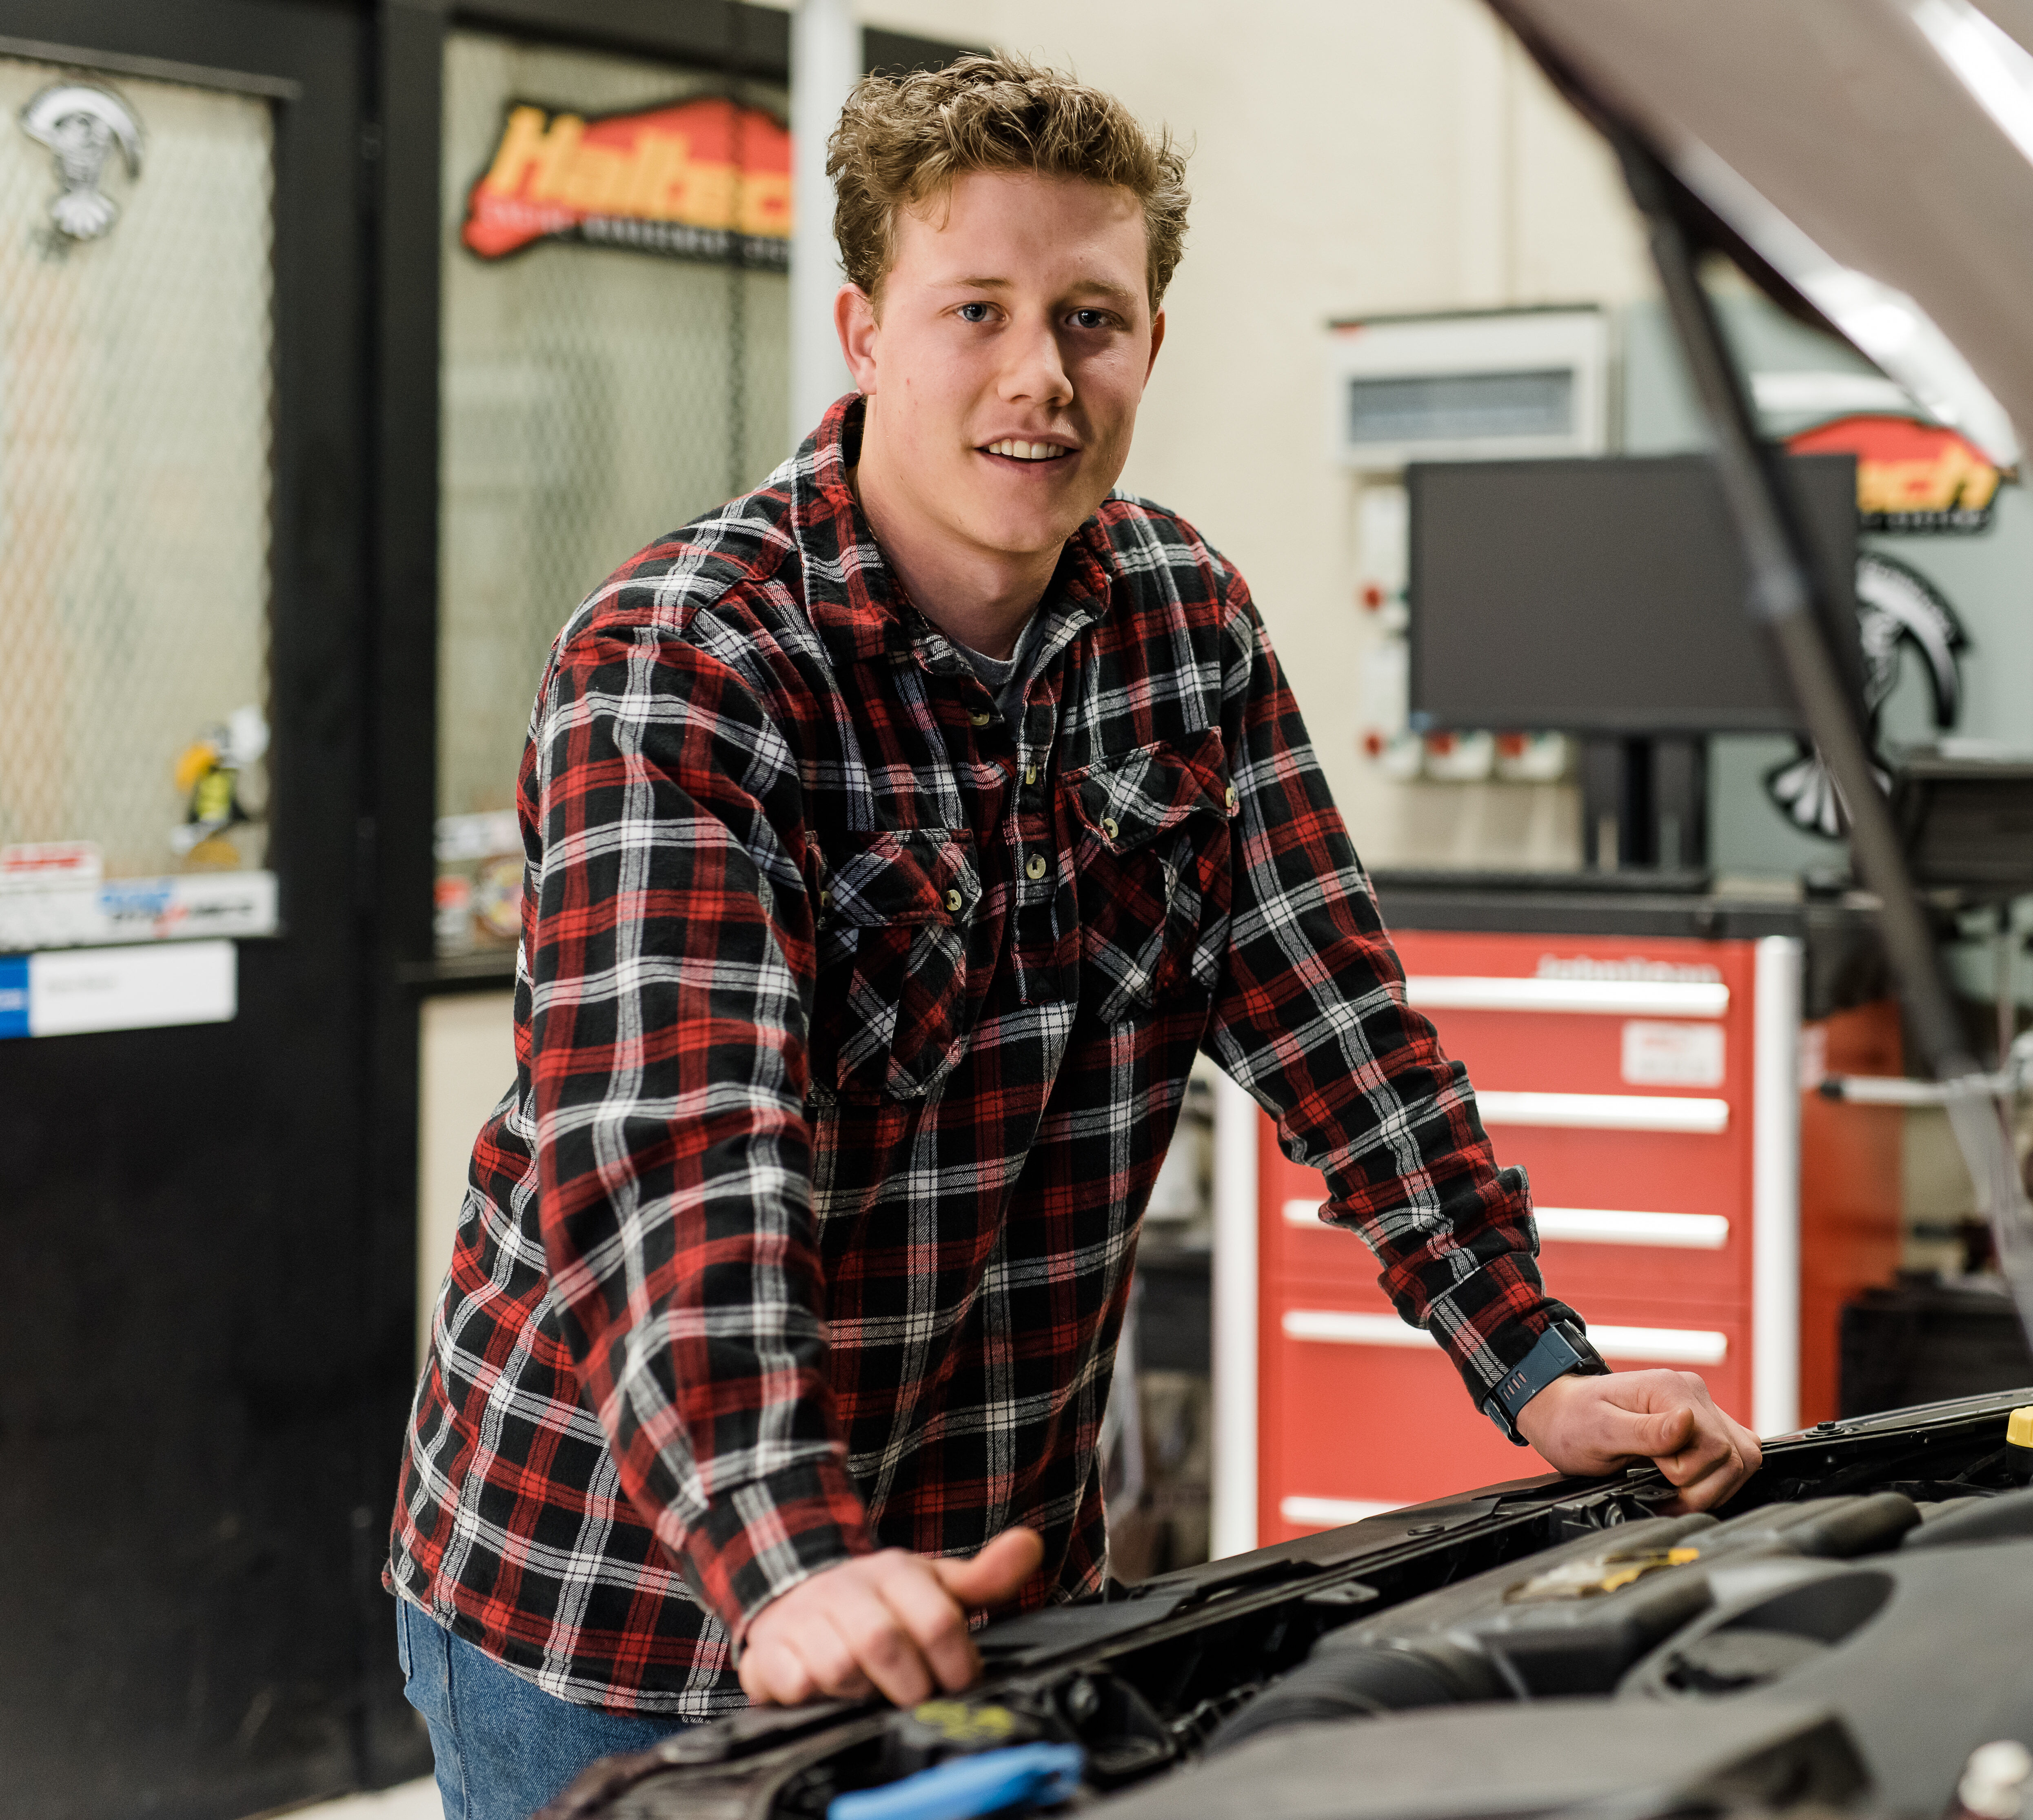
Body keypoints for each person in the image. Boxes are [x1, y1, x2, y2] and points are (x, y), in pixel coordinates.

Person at [386, 53, 1761, 1820]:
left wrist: (1538, 1363)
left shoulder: (1182, 626)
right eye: (980, 310)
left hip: (997, 1588)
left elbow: (1343, 1035)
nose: (1041, 378)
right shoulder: (685, 663)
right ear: (866, 329)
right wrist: (785, 1555)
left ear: (1154, 346)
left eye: (1092, 319)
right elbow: (673, 1158)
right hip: (626, 1609)